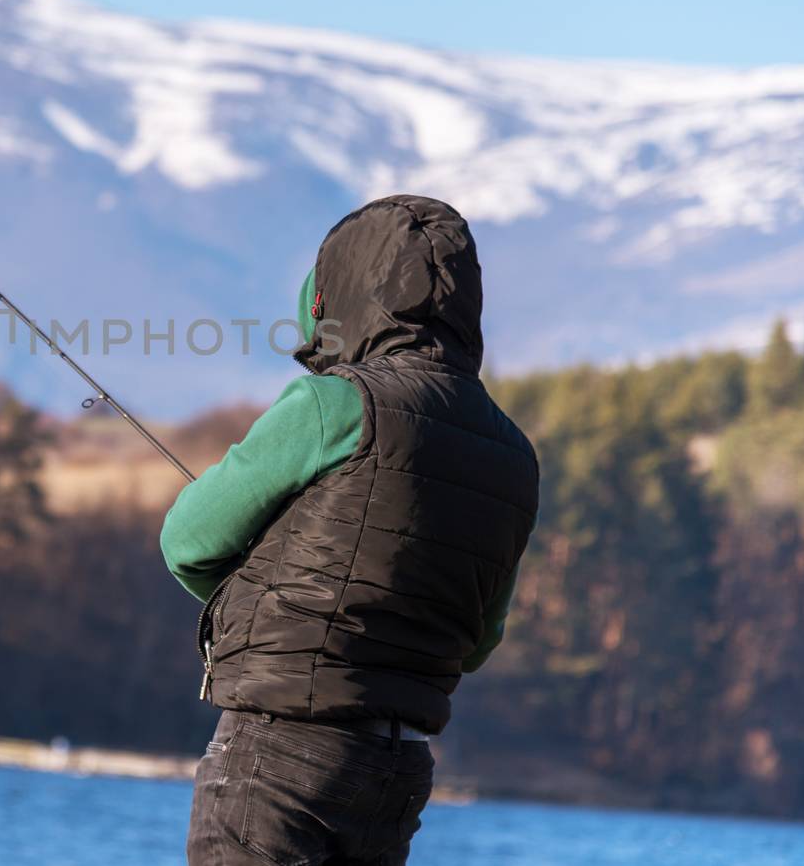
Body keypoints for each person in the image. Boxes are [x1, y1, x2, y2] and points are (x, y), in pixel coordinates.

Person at [162, 195, 538, 866]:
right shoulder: (513, 453)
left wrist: (264, 603)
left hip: (277, 750)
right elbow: (477, 643)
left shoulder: (333, 403)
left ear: (338, 296)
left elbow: (188, 543)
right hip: (396, 771)